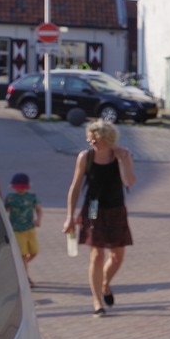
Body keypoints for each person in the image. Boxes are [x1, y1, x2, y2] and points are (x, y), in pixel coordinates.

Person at [62, 119, 136, 317]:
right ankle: (97, 302)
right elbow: (75, 188)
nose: (92, 142)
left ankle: (104, 284)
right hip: (93, 209)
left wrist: (122, 160)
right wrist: (70, 217)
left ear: (109, 139)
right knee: (97, 255)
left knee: (117, 257)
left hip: (116, 208)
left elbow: (129, 181)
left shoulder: (122, 155)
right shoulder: (85, 157)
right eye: (90, 139)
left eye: (97, 139)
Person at [4, 172, 43, 287]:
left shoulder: (31, 197)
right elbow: (4, 210)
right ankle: (26, 278)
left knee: (34, 252)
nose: (20, 190)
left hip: (30, 229)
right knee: (23, 255)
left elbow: (38, 209)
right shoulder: (10, 198)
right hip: (17, 230)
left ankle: (19, 267)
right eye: (17, 187)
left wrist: (38, 220)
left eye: (22, 187)